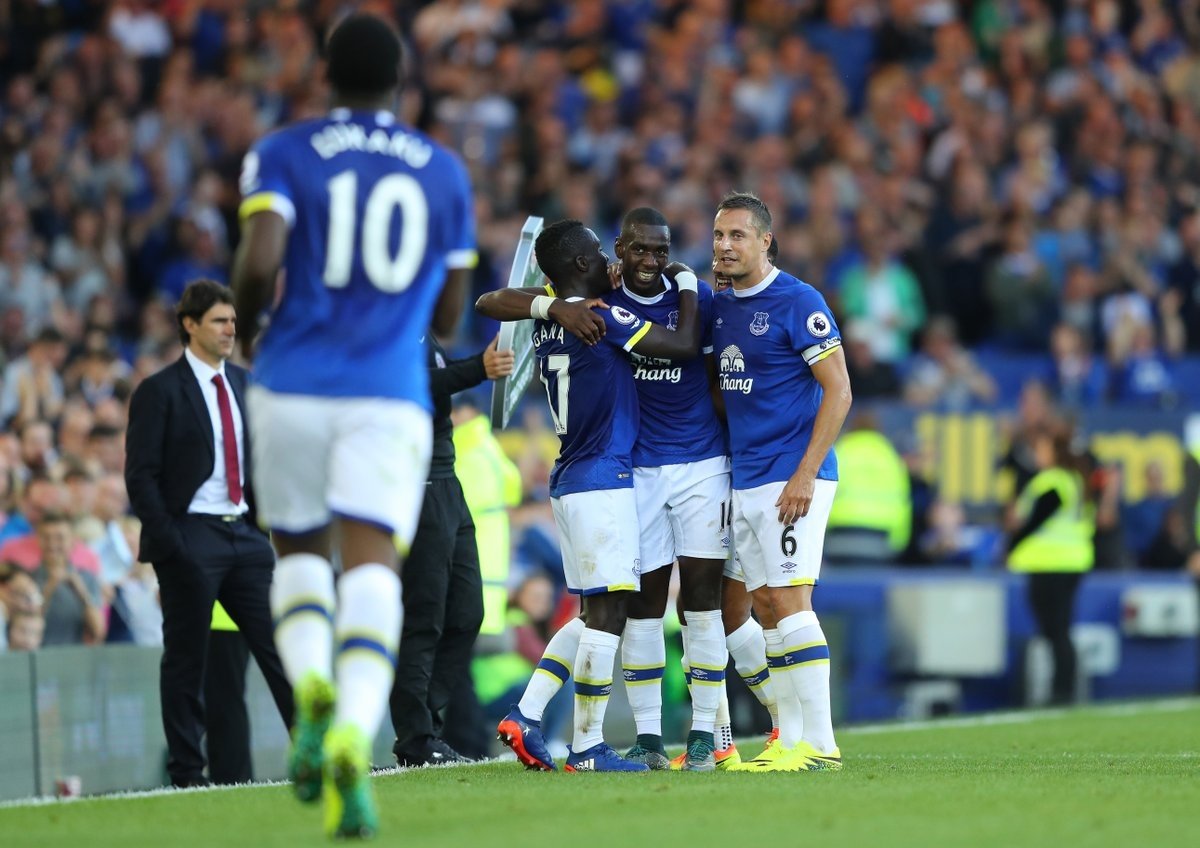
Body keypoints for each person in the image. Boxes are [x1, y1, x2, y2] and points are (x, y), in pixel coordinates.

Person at [230, 14, 477, 837]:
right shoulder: (443, 172)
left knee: (299, 555)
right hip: (386, 390)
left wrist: (263, 334)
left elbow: (260, 261)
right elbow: (448, 310)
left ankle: (312, 697)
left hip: (294, 381)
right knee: (373, 566)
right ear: (400, 79)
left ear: (324, 72)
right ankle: (350, 735)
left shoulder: (284, 151)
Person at [475, 218, 701, 772]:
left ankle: (526, 715)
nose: (609, 260)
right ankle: (587, 747)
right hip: (602, 476)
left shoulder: (558, 305)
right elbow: (684, 344)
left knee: (590, 611)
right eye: (599, 253)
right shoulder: (601, 316)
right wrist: (689, 283)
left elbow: (490, 301)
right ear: (580, 265)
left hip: (571, 478)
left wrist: (550, 307)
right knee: (609, 614)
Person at [124, 279, 293, 789]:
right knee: (186, 663)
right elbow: (141, 476)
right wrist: (173, 544)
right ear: (189, 325)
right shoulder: (158, 391)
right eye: (219, 321)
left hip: (244, 538)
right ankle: (186, 774)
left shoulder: (244, 383)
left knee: (284, 649)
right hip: (190, 537)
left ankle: (321, 754)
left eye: (233, 322)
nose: (229, 330)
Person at [711, 192, 852, 772]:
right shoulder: (717, 306)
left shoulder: (799, 301)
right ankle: (787, 738)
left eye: (738, 235)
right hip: (746, 477)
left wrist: (804, 475)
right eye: (719, 235)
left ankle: (820, 744)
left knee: (790, 600)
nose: (725, 245)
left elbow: (839, 391)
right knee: (762, 605)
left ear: (766, 241)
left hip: (793, 476)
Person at [599, 207, 732, 772]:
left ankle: (703, 731)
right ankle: (650, 737)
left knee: (701, 601)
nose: (651, 260)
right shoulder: (605, 305)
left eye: (662, 250)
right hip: (641, 468)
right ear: (620, 251)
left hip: (702, 462)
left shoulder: (695, 297)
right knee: (644, 605)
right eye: (640, 250)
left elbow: (712, 374)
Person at [388, 335, 512, 768]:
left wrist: (483, 358)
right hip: (414, 480)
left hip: (446, 476)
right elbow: (410, 380)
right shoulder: (390, 322)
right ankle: (416, 737)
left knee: (465, 613)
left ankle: (425, 725)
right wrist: (479, 366)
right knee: (424, 617)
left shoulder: (423, 328)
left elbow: (438, 372)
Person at [1006, 426, 1095, 705]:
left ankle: (1062, 691)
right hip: (1071, 561)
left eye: (1041, 448)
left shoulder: (1053, 481)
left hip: (1052, 563)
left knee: (1055, 630)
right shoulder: (1074, 480)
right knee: (1058, 630)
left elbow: (1035, 520)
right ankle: (1063, 688)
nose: (1037, 453)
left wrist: (1011, 543)